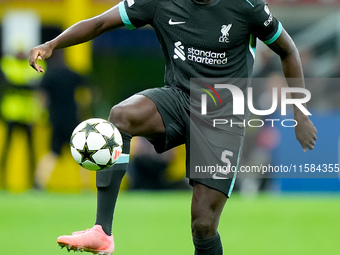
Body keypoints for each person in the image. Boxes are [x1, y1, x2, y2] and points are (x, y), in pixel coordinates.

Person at [29, 0, 318, 254]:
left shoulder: (247, 6)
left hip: (222, 118)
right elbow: (101, 22)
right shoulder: (160, 1)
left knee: (203, 226)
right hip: (178, 98)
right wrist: (53, 44)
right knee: (121, 116)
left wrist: (300, 114)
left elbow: (288, 51)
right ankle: (102, 232)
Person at [34, 49, 89, 190]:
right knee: (81, 153)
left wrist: (41, 114)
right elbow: (88, 91)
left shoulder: (49, 76)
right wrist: (84, 108)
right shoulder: (72, 74)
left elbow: (43, 99)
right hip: (72, 119)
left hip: (56, 119)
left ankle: (39, 182)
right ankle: (86, 185)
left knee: (53, 153)